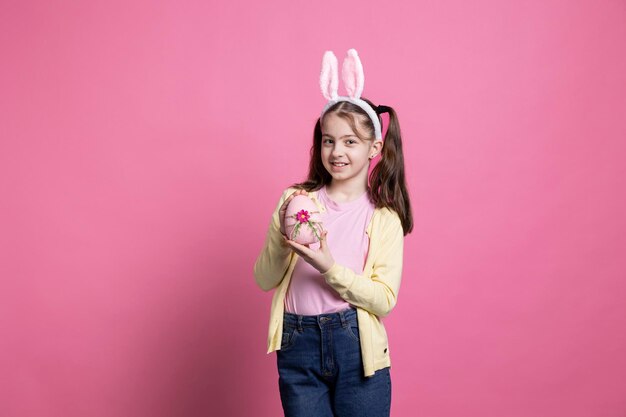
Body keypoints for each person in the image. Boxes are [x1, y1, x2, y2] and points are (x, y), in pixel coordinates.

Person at [253, 48, 413, 417]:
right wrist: (281, 234)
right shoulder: (296, 200)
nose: (336, 151)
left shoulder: (383, 219)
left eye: (350, 142)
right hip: (297, 343)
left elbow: (383, 300)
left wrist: (329, 267)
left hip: (356, 349)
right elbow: (264, 279)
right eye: (329, 140)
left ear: (374, 148)